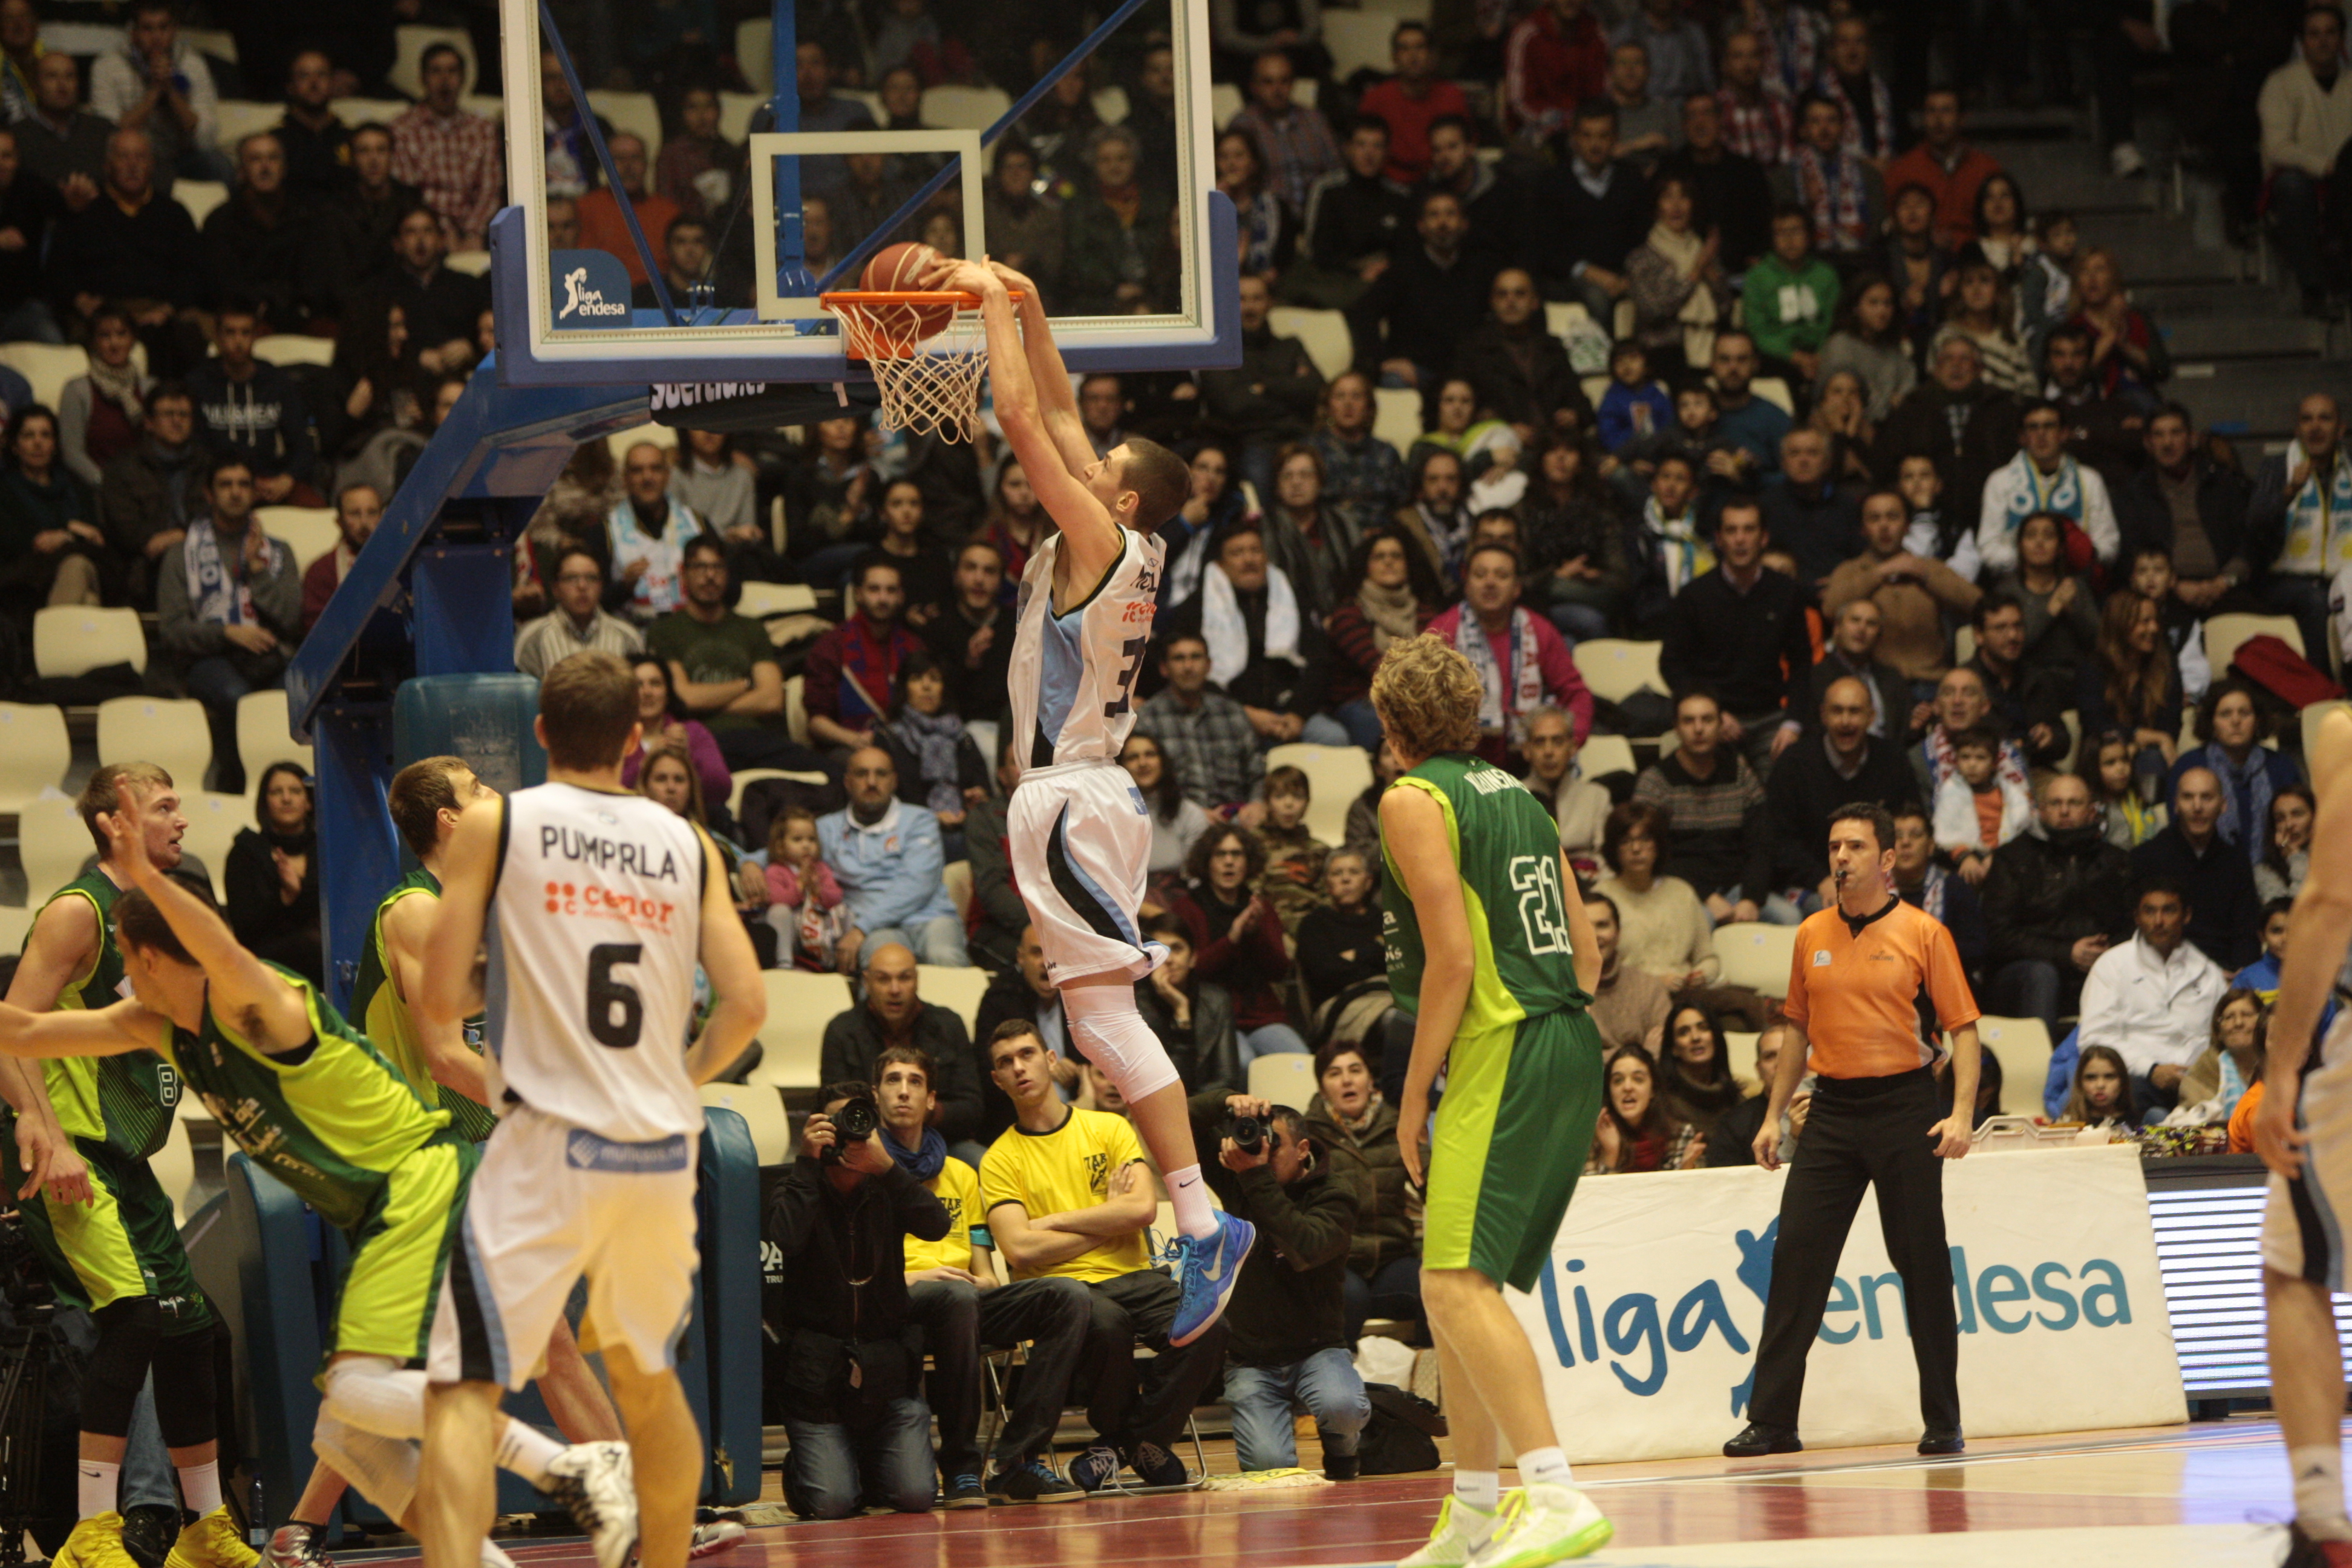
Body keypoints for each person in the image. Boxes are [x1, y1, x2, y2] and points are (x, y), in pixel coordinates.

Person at [0, 772, 634, 1568]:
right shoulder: (154, 1023)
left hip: (421, 1182)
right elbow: (24, 1026)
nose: (123, 973)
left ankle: (574, 1474)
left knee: (378, 1393)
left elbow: (222, 947)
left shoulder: (258, 1000)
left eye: (134, 953)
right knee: (357, 1431)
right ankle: (347, 1539)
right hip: (378, 1206)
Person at [939, 255, 1255, 1345]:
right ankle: (1200, 1210)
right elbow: (1065, 406)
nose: (1089, 453)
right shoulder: (1133, 537)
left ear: (1115, 498)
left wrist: (985, 313)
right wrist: (1029, 303)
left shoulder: (1096, 539)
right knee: (1091, 1012)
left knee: (1103, 1016)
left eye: (1103, 464)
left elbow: (1025, 421)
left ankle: (1200, 1214)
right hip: (1089, 795)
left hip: (1071, 798)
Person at [414, 651, 765, 1568]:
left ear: (538, 735)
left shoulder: (502, 820)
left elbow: (442, 1001)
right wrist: (678, 1082)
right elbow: (748, 1008)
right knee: (649, 1387)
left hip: (547, 1143)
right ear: (635, 739)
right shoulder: (686, 842)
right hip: (656, 1147)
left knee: (464, 1393)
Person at [273, 754, 644, 1566]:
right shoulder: (413, 910)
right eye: (479, 789)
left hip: (464, 1157)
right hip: (418, 1160)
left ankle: (298, 1531)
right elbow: (445, 1055)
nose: (497, 797)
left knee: (484, 1350)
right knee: (529, 1344)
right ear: (448, 820)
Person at [1376, 634, 1613, 1564]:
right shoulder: (1523, 796)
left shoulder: (1412, 797)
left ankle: (1552, 1492)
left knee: (1453, 1283)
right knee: (1452, 1287)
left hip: (1503, 1043)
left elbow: (1455, 963)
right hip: (1565, 1035)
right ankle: (1474, 1512)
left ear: (1393, 725)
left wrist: (1410, 1099)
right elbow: (1589, 957)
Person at [0, 765, 238, 1568]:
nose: (181, 818)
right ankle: (93, 1535)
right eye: (164, 806)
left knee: (193, 1331)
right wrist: (44, 1129)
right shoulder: (79, 912)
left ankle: (206, 1533)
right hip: (66, 1151)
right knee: (134, 1317)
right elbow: (9, 1025)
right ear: (113, 823)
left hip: (127, 1156)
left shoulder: (167, 915)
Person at [1726, 802, 1980, 1460]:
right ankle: (1774, 1421)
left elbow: (1963, 1030)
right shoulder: (1810, 932)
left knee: (1922, 1265)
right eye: (1835, 846)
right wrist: (1773, 1114)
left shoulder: (1924, 932)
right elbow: (1798, 1030)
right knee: (1795, 1262)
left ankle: (1944, 1420)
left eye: (1857, 847)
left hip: (1906, 1108)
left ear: (1887, 859)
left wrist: (1960, 1113)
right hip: (1832, 1111)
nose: (1841, 858)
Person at [978, 1022, 1230, 1491]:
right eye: (1005, 1062)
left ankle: (1124, 1444)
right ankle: (1143, 1446)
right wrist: (1105, 1219)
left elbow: (1141, 1209)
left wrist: (1053, 1221)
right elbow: (1018, 1248)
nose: (1019, 1067)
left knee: (1209, 1323)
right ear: (997, 1080)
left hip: (1134, 1275)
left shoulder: (1108, 1127)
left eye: (1027, 1054)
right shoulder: (998, 1159)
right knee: (1108, 1325)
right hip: (1063, 1292)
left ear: (1051, 1061)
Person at [875, 1047, 1089, 1508]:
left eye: (915, 1082)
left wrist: (985, 1281)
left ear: (932, 1100)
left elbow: (983, 1269)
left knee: (1067, 1295)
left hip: (965, 1302)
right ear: (876, 1096)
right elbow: (861, 1272)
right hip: (900, 1302)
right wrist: (918, 1275)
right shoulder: (870, 1174)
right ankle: (961, 1469)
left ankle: (1016, 1459)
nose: (904, 1091)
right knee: (957, 1300)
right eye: (893, 1081)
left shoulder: (961, 1174)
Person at [2251, 704, 2352, 1564]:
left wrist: (2282, 1064)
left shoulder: (2344, 736)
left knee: (2293, 1268)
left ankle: (2322, 1520)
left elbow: (2327, 900)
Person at [767, 1077, 946, 1518]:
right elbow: (785, 1238)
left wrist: (887, 1168)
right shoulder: (797, 1188)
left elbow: (937, 1225)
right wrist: (808, 1163)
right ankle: (809, 1468)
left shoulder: (887, 1187)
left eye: (858, 1123)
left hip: (888, 1378)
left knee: (916, 1497)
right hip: (818, 1383)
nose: (850, 1136)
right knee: (832, 1503)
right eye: (838, 1124)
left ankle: (863, 1460)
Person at [1185, 1088, 1369, 1478]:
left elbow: (1303, 1247)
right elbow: (1182, 1120)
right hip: (1251, 1359)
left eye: (1276, 1144)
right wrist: (1228, 1101)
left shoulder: (1335, 1194)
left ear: (1303, 1149)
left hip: (1317, 1350)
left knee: (1343, 1408)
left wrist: (1254, 1176)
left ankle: (1342, 1451)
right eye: (1258, 1140)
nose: (1262, 1152)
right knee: (1269, 1469)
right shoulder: (1241, 1176)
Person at [156, 456, 301, 795]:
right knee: (240, 699)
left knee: (295, 693)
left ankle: (292, 791)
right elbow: (172, 630)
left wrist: (257, 570)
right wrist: (226, 632)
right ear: (209, 494)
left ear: (254, 492)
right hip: (209, 659)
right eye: (225, 484)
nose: (235, 493)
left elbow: (292, 619)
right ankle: (238, 788)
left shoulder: (278, 552)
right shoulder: (182, 554)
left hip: (271, 654)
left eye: (243, 484)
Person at [1659, 501, 1814, 777]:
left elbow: (1802, 663)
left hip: (1771, 718)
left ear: (1763, 537)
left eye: (1748, 530)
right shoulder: (1694, 596)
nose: (1740, 539)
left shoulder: (1786, 592)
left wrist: (1793, 724)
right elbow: (1671, 663)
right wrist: (1712, 713)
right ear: (1719, 539)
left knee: (1787, 782)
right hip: (1714, 720)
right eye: (1731, 531)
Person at [1979, 771, 2134, 1031]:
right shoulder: (2013, 859)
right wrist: (2067, 953)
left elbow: (2132, 927)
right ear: (2040, 810)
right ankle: (2041, 1070)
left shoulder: (2116, 862)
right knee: (2043, 975)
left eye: (2074, 803)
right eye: (2055, 803)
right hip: (2024, 974)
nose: (2064, 811)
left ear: (2092, 811)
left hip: (2099, 966)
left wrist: (2106, 953)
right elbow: (1999, 936)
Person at [2078, 880, 2229, 1122]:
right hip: (2138, 1080)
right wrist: (2151, 1069)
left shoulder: (2207, 972)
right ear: (2137, 917)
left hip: (2197, 1080)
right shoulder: (2113, 965)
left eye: (2169, 910)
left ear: (2186, 915)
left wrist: (2197, 1072)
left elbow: (2219, 1040)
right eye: (2149, 911)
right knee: (2134, 1093)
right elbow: (2094, 1039)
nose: (2158, 921)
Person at [820, 748, 968, 970]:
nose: (871, 782)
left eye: (881, 774)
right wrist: (750, 864)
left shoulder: (920, 820)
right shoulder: (826, 828)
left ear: (894, 781)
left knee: (945, 956)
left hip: (929, 918)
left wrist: (860, 929)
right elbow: (776, 851)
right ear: (848, 782)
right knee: (884, 966)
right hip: (877, 931)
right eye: (862, 774)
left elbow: (917, 884)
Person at [1168, 827, 1305, 1064]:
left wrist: (1256, 933)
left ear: (1248, 861)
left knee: (1299, 1062)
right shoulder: (1186, 910)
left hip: (1262, 1015)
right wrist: (1232, 939)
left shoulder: (1260, 908)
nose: (1229, 862)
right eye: (1220, 855)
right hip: (1212, 1015)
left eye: (1237, 854)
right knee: (1243, 1063)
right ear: (1207, 862)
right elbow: (1190, 972)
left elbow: (1279, 970)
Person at [2134, 766, 2262, 972]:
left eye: (2207, 797)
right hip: (2158, 969)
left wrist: (2240, 975)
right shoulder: (2146, 857)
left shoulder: (2236, 861)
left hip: (2223, 972)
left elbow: (2245, 933)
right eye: (2188, 797)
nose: (2197, 806)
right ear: (2175, 805)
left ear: (2223, 805)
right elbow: (2134, 929)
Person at [2166, 679, 2307, 864]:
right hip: (2205, 868)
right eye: (2225, 714)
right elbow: (2178, 829)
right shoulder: (2190, 766)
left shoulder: (2281, 766)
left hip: (2278, 867)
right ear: (2212, 723)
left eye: (2245, 713)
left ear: (2257, 720)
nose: (2236, 721)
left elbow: (2301, 824)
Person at [386, 43, 501, 250]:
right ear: (423, 79)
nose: (445, 80)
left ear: (463, 79)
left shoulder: (483, 129)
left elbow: (489, 189)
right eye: (436, 71)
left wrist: (473, 231)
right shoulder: (402, 128)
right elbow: (407, 191)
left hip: (475, 233)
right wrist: (441, 231)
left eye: (452, 71)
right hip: (424, 232)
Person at [221, 761, 319, 984]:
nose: (287, 799)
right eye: (277, 792)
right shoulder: (245, 853)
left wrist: (298, 894)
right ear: (265, 802)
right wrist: (284, 898)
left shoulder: (326, 850)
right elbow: (245, 929)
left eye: (295, 791)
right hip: (264, 969)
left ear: (309, 802)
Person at [515, 549, 645, 679]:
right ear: (555, 589)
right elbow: (522, 697)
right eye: (571, 578)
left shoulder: (628, 637)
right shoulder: (532, 638)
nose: (582, 586)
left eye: (591, 578)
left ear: (601, 586)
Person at [1587, 1043, 1701, 1172]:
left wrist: (1687, 1169)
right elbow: (1592, 1192)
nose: (1627, 1087)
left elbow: (1676, 1191)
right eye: (1618, 1081)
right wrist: (1611, 1153)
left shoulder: (1678, 1133)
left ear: (1653, 1090)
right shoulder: (1595, 1138)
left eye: (1638, 1079)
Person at [2260, 785, 2318, 903]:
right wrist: (2296, 857)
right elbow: (2291, 913)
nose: (2289, 824)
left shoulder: (2337, 860)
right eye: (2280, 819)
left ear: (2315, 817)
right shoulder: (2265, 871)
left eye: (2297, 814)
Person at [2062, 1044, 2138, 1129]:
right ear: (2080, 1083)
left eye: (2110, 1077)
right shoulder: (2066, 1125)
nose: (2100, 1085)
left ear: (2123, 1081)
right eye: (2091, 1078)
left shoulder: (2142, 1121)